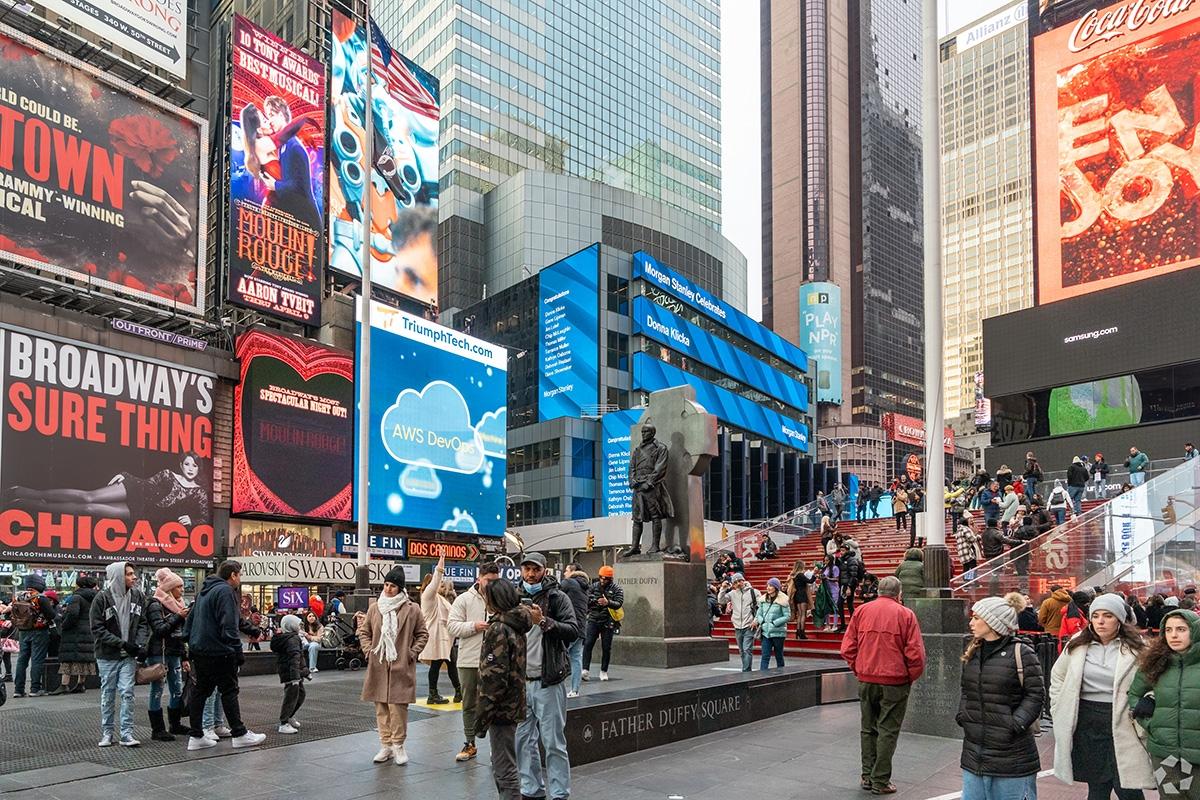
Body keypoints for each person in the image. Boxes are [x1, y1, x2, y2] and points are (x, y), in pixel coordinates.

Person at [1050, 593, 1152, 800]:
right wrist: (1058, 705)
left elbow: (1155, 680)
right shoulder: (1077, 644)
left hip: (1123, 719)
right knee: (1097, 787)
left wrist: (1149, 699)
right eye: (1095, 616)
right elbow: (1058, 676)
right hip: (1087, 721)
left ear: (1119, 620)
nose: (1101, 621)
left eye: (1108, 616)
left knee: (1127, 786)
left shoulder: (1138, 647)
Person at [841, 576, 926, 796]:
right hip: (895, 681)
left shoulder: (862, 611)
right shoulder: (906, 614)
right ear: (899, 593)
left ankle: (867, 776)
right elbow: (915, 654)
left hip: (867, 678)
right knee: (888, 730)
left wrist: (860, 668)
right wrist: (908, 677)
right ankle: (880, 780)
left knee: (868, 728)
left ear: (878, 591)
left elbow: (847, 648)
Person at [958, 594, 1044, 800]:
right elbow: (966, 689)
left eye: (977, 618)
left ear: (992, 622)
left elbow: (1036, 694)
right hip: (974, 751)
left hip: (1012, 754)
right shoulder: (973, 651)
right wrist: (964, 715)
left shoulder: (1021, 652)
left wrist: (1014, 724)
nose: (971, 622)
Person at [516, 552, 581, 800]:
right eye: (527, 569)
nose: (531, 574)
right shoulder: (513, 597)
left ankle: (559, 793)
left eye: (536, 569)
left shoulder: (557, 597)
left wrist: (543, 621)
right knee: (522, 741)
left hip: (549, 681)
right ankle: (531, 789)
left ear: (544, 570)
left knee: (553, 743)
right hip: (521, 682)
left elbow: (573, 631)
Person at [183, 560, 267, 750]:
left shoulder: (204, 591)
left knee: (201, 691)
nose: (240, 579)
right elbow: (229, 624)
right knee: (229, 690)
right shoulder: (226, 592)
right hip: (220, 650)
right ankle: (239, 733)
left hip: (200, 649)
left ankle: (196, 735)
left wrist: (188, 643)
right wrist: (237, 652)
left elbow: (191, 619)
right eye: (240, 575)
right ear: (233, 575)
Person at [9, 453, 208, 529]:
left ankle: (31, 504)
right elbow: (147, 482)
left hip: (146, 512)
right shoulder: (167, 473)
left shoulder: (199, 493)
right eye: (187, 464)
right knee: (87, 496)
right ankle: (29, 492)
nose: (190, 468)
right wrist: (126, 476)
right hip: (135, 490)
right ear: (181, 465)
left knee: (89, 509)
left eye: (195, 465)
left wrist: (193, 520)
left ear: (199, 468)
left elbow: (205, 518)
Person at [358, 566, 429, 766]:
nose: (389, 589)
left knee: (398, 707)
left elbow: (423, 634)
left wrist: (412, 653)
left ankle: (398, 745)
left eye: (393, 586)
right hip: (379, 663)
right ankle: (386, 745)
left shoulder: (412, 608)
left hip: (401, 664)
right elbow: (365, 632)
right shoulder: (375, 607)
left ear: (400, 588)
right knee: (381, 706)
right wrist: (367, 650)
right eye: (387, 584)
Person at [1128, 609, 1200, 798]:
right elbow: (1134, 695)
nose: (1174, 635)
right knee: (1170, 796)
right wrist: (1152, 723)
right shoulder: (1155, 661)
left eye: (1181, 629)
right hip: (1164, 753)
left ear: (1195, 631)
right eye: (1168, 630)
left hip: (1198, 753)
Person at [475, 578, 531, 800]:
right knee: (505, 762)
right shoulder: (516, 624)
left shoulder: (498, 628)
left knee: (503, 767)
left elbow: (494, 678)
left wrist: (482, 717)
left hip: (500, 708)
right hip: (513, 703)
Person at [89, 561, 147, 747]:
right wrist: (122, 643)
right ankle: (107, 733)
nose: (134, 577)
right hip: (107, 655)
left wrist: (138, 644)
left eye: (133, 573)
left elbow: (143, 623)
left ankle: (126, 734)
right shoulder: (102, 599)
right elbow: (97, 629)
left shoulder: (138, 596)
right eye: (129, 574)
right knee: (108, 694)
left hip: (127, 656)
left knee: (128, 693)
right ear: (117, 576)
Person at [448, 562, 500, 760]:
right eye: (488, 581)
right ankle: (470, 742)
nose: (491, 585)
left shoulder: (501, 599)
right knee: (469, 703)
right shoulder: (464, 600)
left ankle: (497, 746)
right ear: (479, 578)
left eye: (495, 581)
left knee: (496, 703)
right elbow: (452, 626)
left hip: (496, 661)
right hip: (469, 659)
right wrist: (474, 626)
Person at [145, 567, 189, 740]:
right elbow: (158, 630)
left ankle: (175, 724)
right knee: (157, 689)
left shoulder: (179, 605)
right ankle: (157, 729)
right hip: (159, 653)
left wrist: (184, 656)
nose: (182, 590)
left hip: (174, 652)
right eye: (179, 586)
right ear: (170, 588)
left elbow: (181, 635)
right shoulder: (155, 604)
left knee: (177, 689)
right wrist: (178, 616)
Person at [418, 554, 460, 704]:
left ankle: (456, 691)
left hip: (444, 638)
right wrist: (441, 563)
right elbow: (436, 580)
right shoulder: (429, 597)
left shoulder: (439, 599)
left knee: (450, 663)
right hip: (436, 637)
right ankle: (434, 694)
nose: (441, 585)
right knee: (438, 665)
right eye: (439, 583)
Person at [10, 574, 55, 697]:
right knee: (37, 660)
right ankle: (35, 688)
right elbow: (51, 615)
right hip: (39, 632)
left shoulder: (17, 596)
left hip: (23, 631)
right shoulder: (40, 598)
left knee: (21, 660)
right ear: (39, 584)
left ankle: (18, 690)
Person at [54, 575, 98, 695]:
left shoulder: (76, 597)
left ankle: (64, 684)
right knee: (84, 658)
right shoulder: (96, 597)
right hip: (89, 631)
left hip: (75, 632)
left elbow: (72, 614)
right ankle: (81, 684)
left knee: (68, 658)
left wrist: (64, 625)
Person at [582, 565, 624, 683]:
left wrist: (607, 602)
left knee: (606, 647)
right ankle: (585, 669)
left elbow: (619, 603)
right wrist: (595, 601)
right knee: (588, 644)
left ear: (610, 579)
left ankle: (604, 670)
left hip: (608, 621)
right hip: (594, 619)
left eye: (605, 578)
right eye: (601, 577)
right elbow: (586, 600)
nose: (602, 580)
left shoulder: (617, 589)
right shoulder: (593, 586)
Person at [717, 572, 762, 671]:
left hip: (749, 625)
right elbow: (721, 600)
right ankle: (746, 668)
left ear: (743, 580)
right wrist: (723, 589)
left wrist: (756, 620)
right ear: (733, 584)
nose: (738, 583)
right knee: (741, 650)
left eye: (740, 581)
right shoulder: (732, 594)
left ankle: (746, 671)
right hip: (737, 626)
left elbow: (761, 608)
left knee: (747, 649)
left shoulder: (754, 592)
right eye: (735, 582)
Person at [271, 613, 306, 735]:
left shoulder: (289, 638)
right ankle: (284, 722)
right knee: (291, 695)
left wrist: (303, 672)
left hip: (291, 672)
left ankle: (289, 716)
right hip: (291, 673)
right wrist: (295, 677)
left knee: (299, 693)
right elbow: (294, 658)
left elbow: (297, 657)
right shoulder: (292, 639)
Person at [558, 563, 589, 699]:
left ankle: (557, 687)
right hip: (581, 627)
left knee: (559, 654)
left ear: (573, 571)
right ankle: (575, 690)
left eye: (566, 570)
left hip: (569, 625)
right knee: (576, 658)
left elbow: (555, 592)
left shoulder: (569, 583)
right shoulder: (584, 586)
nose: (564, 573)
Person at [754, 577, 789, 670]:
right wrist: (763, 622)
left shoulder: (783, 600)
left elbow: (787, 616)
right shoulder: (763, 599)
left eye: (771, 586)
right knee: (765, 656)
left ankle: (781, 675)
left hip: (778, 633)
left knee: (779, 656)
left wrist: (775, 623)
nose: (768, 587)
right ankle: (763, 677)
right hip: (766, 633)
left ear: (776, 587)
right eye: (768, 585)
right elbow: (759, 613)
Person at [837, 545, 865, 631]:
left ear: (847, 550)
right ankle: (844, 625)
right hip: (843, 584)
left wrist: (849, 587)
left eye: (843, 550)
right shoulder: (842, 560)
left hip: (849, 585)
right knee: (845, 604)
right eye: (840, 550)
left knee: (845, 604)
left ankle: (852, 624)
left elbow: (853, 574)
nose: (841, 552)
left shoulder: (852, 560)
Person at [788, 560, 815, 640]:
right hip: (802, 595)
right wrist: (814, 575)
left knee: (799, 615)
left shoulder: (794, 575)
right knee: (803, 614)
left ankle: (798, 631)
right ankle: (802, 632)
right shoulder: (800, 575)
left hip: (797, 595)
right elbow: (810, 581)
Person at [956, 514, 982, 580]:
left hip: (962, 551)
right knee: (973, 566)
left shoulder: (958, 530)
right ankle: (975, 582)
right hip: (968, 551)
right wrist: (978, 537)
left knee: (966, 567)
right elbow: (972, 539)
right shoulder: (965, 529)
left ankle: (966, 583)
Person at [301, 610, 324, 675]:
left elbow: (319, 638)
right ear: (306, 618)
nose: (312, 617)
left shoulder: (320, 626)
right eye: (310, 616)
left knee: (313, 646)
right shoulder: (302, 625)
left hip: (315, 643)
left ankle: (312, 668)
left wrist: (309, 636)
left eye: (313, 616)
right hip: (304, 643)